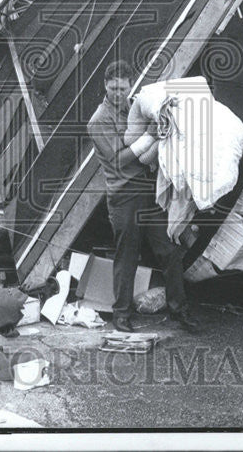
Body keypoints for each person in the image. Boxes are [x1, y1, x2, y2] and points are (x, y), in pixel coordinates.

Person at [87, 60, 199, 333]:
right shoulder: (99, 120)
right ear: (105, 85)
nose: (118, 94)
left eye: (122, 88)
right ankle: (121, 314)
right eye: (113, 88)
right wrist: (151, 136)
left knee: (169, 250)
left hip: (148, 192)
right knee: (127, 255)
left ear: (129, 85)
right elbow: (118, 162)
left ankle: (179, 310)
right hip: (124, 196)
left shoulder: (134, 106)